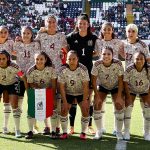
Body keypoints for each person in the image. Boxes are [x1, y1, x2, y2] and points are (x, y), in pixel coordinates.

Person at [35, 14, 68, 137]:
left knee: (57, 100)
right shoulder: (41, 36)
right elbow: (34, 47)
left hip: (58, 71)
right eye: (49, 21)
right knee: (45, 98)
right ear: (45, 23)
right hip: (44, 71)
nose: (51, 24)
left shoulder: (61, 36)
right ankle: (47, 126)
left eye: (53, 21)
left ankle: (57, 126)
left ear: (56, 23)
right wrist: (39, 31)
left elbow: (66, 52)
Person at [67, 13, 98, 134]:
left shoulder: (93, 38)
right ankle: (71, 127)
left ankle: (89, 126)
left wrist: (91, 54)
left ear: (88, 25)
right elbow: (65, 49)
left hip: (88, 71)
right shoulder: (70, 37)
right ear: (77, 24)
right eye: (80, 23)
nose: (82, 26)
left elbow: (98, 51)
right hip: (73, 71)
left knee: (87, 99)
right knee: (74, 99)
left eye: (84, 24)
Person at [95, 22, 125, 134]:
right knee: (99, 104)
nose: (107, 31)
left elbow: (126, 54)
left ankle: (117, 129)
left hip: (115, 78)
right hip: (102, 78)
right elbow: (93, 53)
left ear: (112, 30)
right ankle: (100, 128)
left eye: (109, 29)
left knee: (117, 103)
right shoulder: (97, 42)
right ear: (102, 30)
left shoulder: (118, 42)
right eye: (105, 29)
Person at [123, 23, 150, 140]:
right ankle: (126, 131)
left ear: (137, 32)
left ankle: (147, 132)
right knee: (128, 106)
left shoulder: (143, 45)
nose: (131, 33)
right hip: (129, 79)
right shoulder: (123, 44)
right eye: (129, 31)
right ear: (126, 33)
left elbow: (148, 60)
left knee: (147, 107)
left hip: (142, 79)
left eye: (133, 31)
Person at [91, 46, 124, 140]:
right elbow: (93, 81)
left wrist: (119, 96)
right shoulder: (97, 64)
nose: (106, 56)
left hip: (116, 86)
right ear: (101, 55)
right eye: (104, 54)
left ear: (113, 55)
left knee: (119, 104)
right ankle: (99, 130)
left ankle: (118, 131)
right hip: (102, 86)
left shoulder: (118, 63)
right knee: (97, 104)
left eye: (109, 54)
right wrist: (96, 96)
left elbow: (121, 80)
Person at [13, 26, 41, 133]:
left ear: (31, 34)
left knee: (32, 102)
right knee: (19, 102)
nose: (26, 35)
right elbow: (13, 56)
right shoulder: (17, 44)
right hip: (19, 77)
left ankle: (33, 126)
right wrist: (20, 74)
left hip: (32, 78)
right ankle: (17, 128)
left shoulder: (36, 45)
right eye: (24, 33)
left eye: (28, 33)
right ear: (21, 34)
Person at [58, 50, 89, 140]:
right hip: (68, 92)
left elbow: (86, 86)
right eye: (69, 59)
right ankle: (64, 132)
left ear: (77, 59)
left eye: (73, 59)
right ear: (66, 60)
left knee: (85, 110)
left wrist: (84, 101)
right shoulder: (62, 69)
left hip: (81, 92)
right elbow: (62, 87)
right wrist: (64, 101)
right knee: (64, 110)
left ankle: (83, 132)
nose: (71, 61)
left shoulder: (83, 69)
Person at [25, 51, 57, 139]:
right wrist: (37, 89)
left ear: (45, 60)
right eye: (37, 59)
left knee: (52, 110)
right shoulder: (31, 70)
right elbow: (30, 83)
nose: (39, 61)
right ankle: (30, 131)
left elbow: (54, 84)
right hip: (36, 92)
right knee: (31, 110)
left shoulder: (51, 69)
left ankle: (53, 131)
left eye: (41, 59)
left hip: (49, 91)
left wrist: (53, 96)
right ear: (34, 60)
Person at [0, 50, 27, 137]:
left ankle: (17, 130)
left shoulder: (14, 66)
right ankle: (5, 127)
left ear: (8, 58)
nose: (1, 61)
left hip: (12, 84)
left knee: (14, 105)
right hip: (0, 84)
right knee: (5, 103)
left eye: (3, 59)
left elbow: (23, 76)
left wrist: (28, 90)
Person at [0, 26, 14, 134]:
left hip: (7, 76)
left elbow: (17, 52)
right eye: (1, 32)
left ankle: (5, 126)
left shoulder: (11, 43)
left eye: (5, 32)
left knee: (6, 101)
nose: (3, 34)